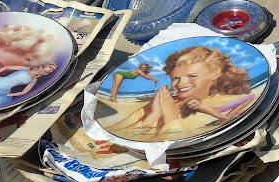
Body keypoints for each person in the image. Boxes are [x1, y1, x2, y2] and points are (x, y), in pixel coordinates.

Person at [108, 46, 252, 140]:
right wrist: (153, 114)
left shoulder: (226, 103)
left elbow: (183, 143)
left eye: (192, 76)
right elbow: (115, 136)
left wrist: (170, 118)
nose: (180, 84)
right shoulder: (162, 101)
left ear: (215, 73)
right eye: (175, 78)